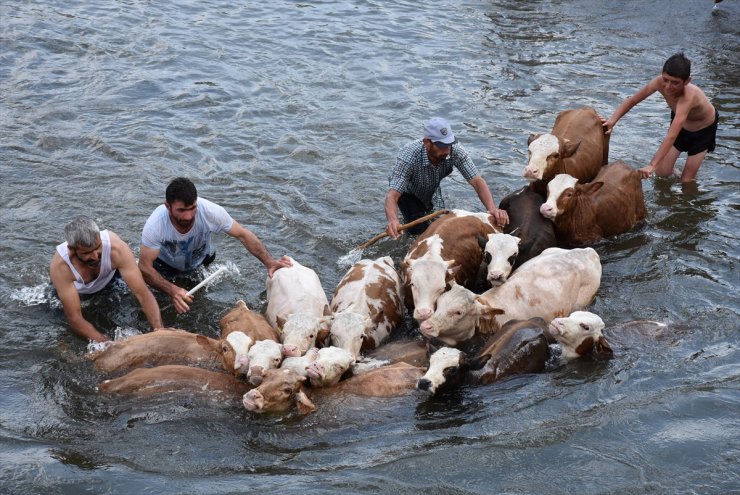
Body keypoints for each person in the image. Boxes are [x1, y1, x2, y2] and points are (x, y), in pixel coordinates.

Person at [139, 177, 292, 314]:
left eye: (192, 208)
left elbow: (243, 235)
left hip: (199, 260)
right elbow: (145, 267)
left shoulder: (211, 212)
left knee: (198, 305)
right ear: (167, 206)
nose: (188, 216)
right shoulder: (156, 225)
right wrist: (172, 290)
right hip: (165, 265)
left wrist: (269, 262)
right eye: (182, 210)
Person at [602, 52, 718, 183]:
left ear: (687, 81)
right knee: (662, 173)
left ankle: (686, 186)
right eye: (666, 79)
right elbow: (632, 100)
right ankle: (676, 174)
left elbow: (671, 135)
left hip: (702, 132)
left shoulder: (688, 97)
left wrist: (652, 165)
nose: (668, 86)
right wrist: (612, 120)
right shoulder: (658, 82)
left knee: (687, 181)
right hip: (682, 126)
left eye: (675, 83)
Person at [384, 117, 509, 238]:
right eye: (441, 146)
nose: (447, 151)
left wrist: (492, 209)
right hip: (408, 194)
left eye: (449, 144)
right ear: (427, 143)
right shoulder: (409, 156)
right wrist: (393, 221)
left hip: (431, 189)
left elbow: (477, 181)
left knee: (440, 224)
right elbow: (393, 194)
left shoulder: (454, 151)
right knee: (420, 233)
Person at [50, 216, 163, 343]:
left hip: (110, 281)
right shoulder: (61, 267)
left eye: (98, 247)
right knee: (64, 335)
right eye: (87, 253)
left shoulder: (116, 249)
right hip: (78, 292)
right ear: (71, 248)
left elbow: (142, 293)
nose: (95, 256)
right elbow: (75, 318)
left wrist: (159, 329)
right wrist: (107, 344)